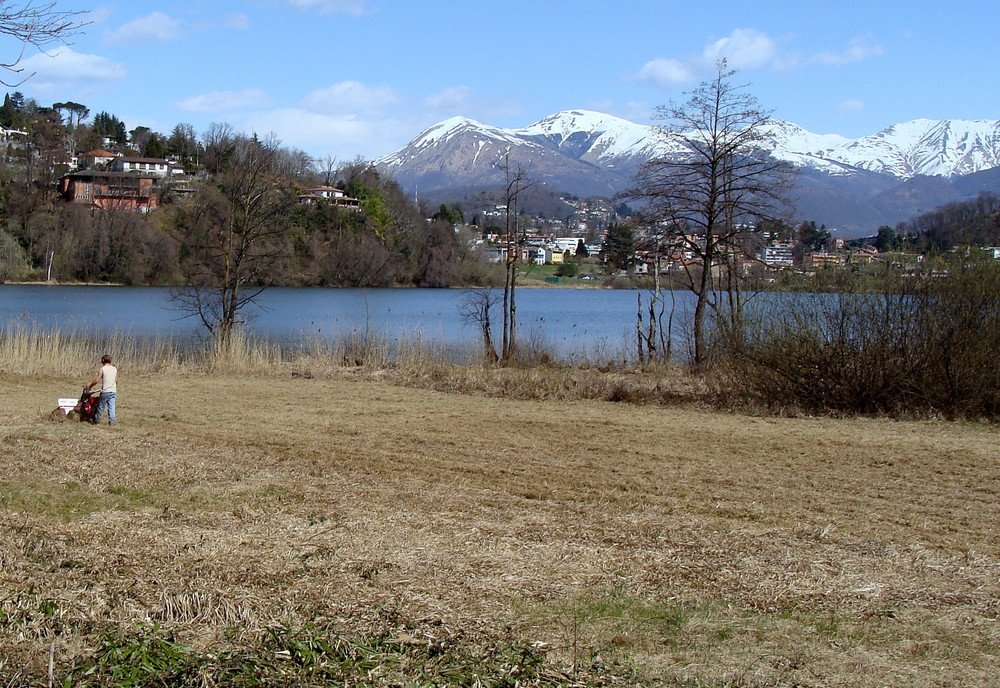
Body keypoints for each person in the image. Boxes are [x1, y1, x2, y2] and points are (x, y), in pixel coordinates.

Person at [86, 354, 118, 426]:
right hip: (113, 391)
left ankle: (96, 421)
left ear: (103, 360)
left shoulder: (102, 369)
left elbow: (96, 380)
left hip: (105, 391)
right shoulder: (114, 369)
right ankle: (112, 422)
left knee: (100, 407)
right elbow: (116, 380)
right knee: (111, 407)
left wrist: (90, 386)